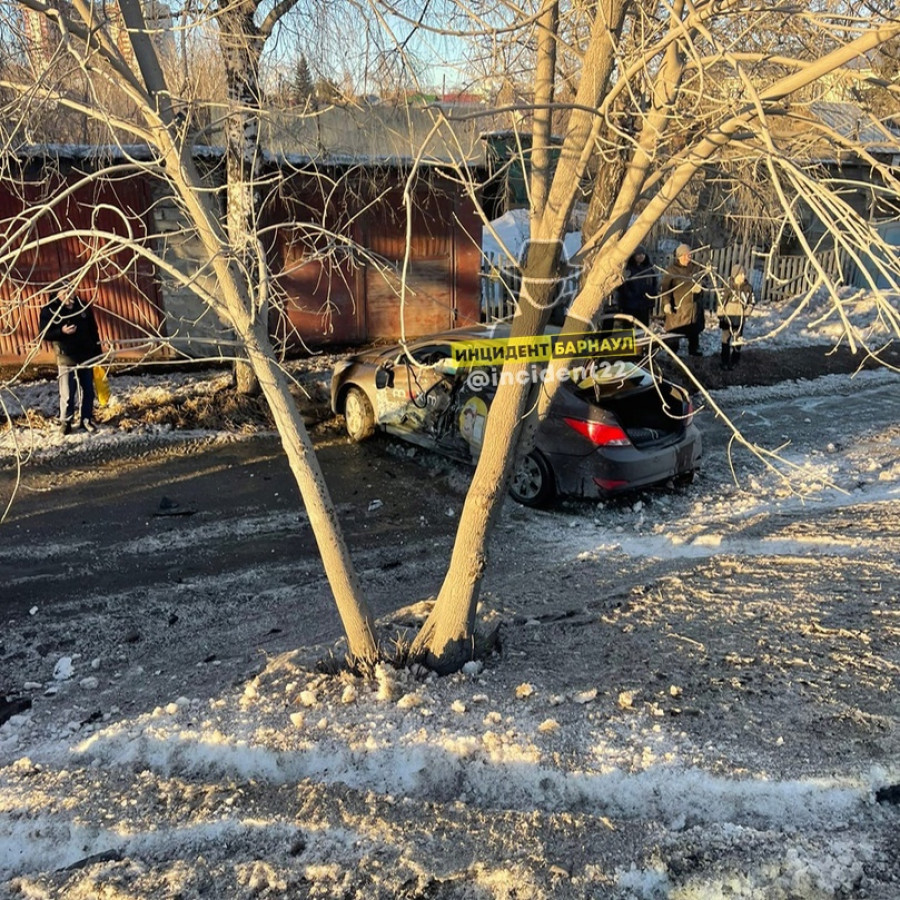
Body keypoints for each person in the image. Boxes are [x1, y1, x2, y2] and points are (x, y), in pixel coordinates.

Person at [39, 286, 102, 435]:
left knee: (88, 390)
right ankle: (66, 421)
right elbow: (44, 333)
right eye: (65, 292)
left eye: (71, 291)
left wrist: (97, 352)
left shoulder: (83, 307)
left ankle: (86, 419)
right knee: (67, 391)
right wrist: (62, 331)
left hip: (86, 355)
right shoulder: (50, 310)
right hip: (66, 356)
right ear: (57, 294)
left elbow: (93, 330)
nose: (69, 294)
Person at [659, 243, 706, 356]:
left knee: (694, 331)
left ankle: (693, 351)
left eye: (688, 255)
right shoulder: (672, 270)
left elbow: (705, 282)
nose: (686, 258)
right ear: (678, 256)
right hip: (678, 308)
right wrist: (666, 303)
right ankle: (672, 354)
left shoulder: (696, 268)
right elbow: (665, 289)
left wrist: (700, 287)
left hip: (693, 307)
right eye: (683, 255)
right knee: (676, 331)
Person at [717, 264, 754, 370]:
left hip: (739, 319)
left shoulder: (748, 288)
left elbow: (752, 302)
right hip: (728, 318)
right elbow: (721, 302)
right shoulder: (728, 287)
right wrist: (720, 315)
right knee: (725, 339)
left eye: (744, 274)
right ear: (735, 275)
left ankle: (735, 361)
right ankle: (724, 361)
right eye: (741, 274)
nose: (743, 276)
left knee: (738, 340)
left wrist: (747, 312)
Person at [617, 246, 658, 328]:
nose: (641, 256)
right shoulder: (627, 269)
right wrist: (628, 294)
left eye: (643, 254)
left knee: (643, 327)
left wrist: (651, 296)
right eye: (638, 254)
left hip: (644, 303)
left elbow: (654, 283)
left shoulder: (649, 269)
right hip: (630, 304)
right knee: (627, 328)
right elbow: (622, 285)